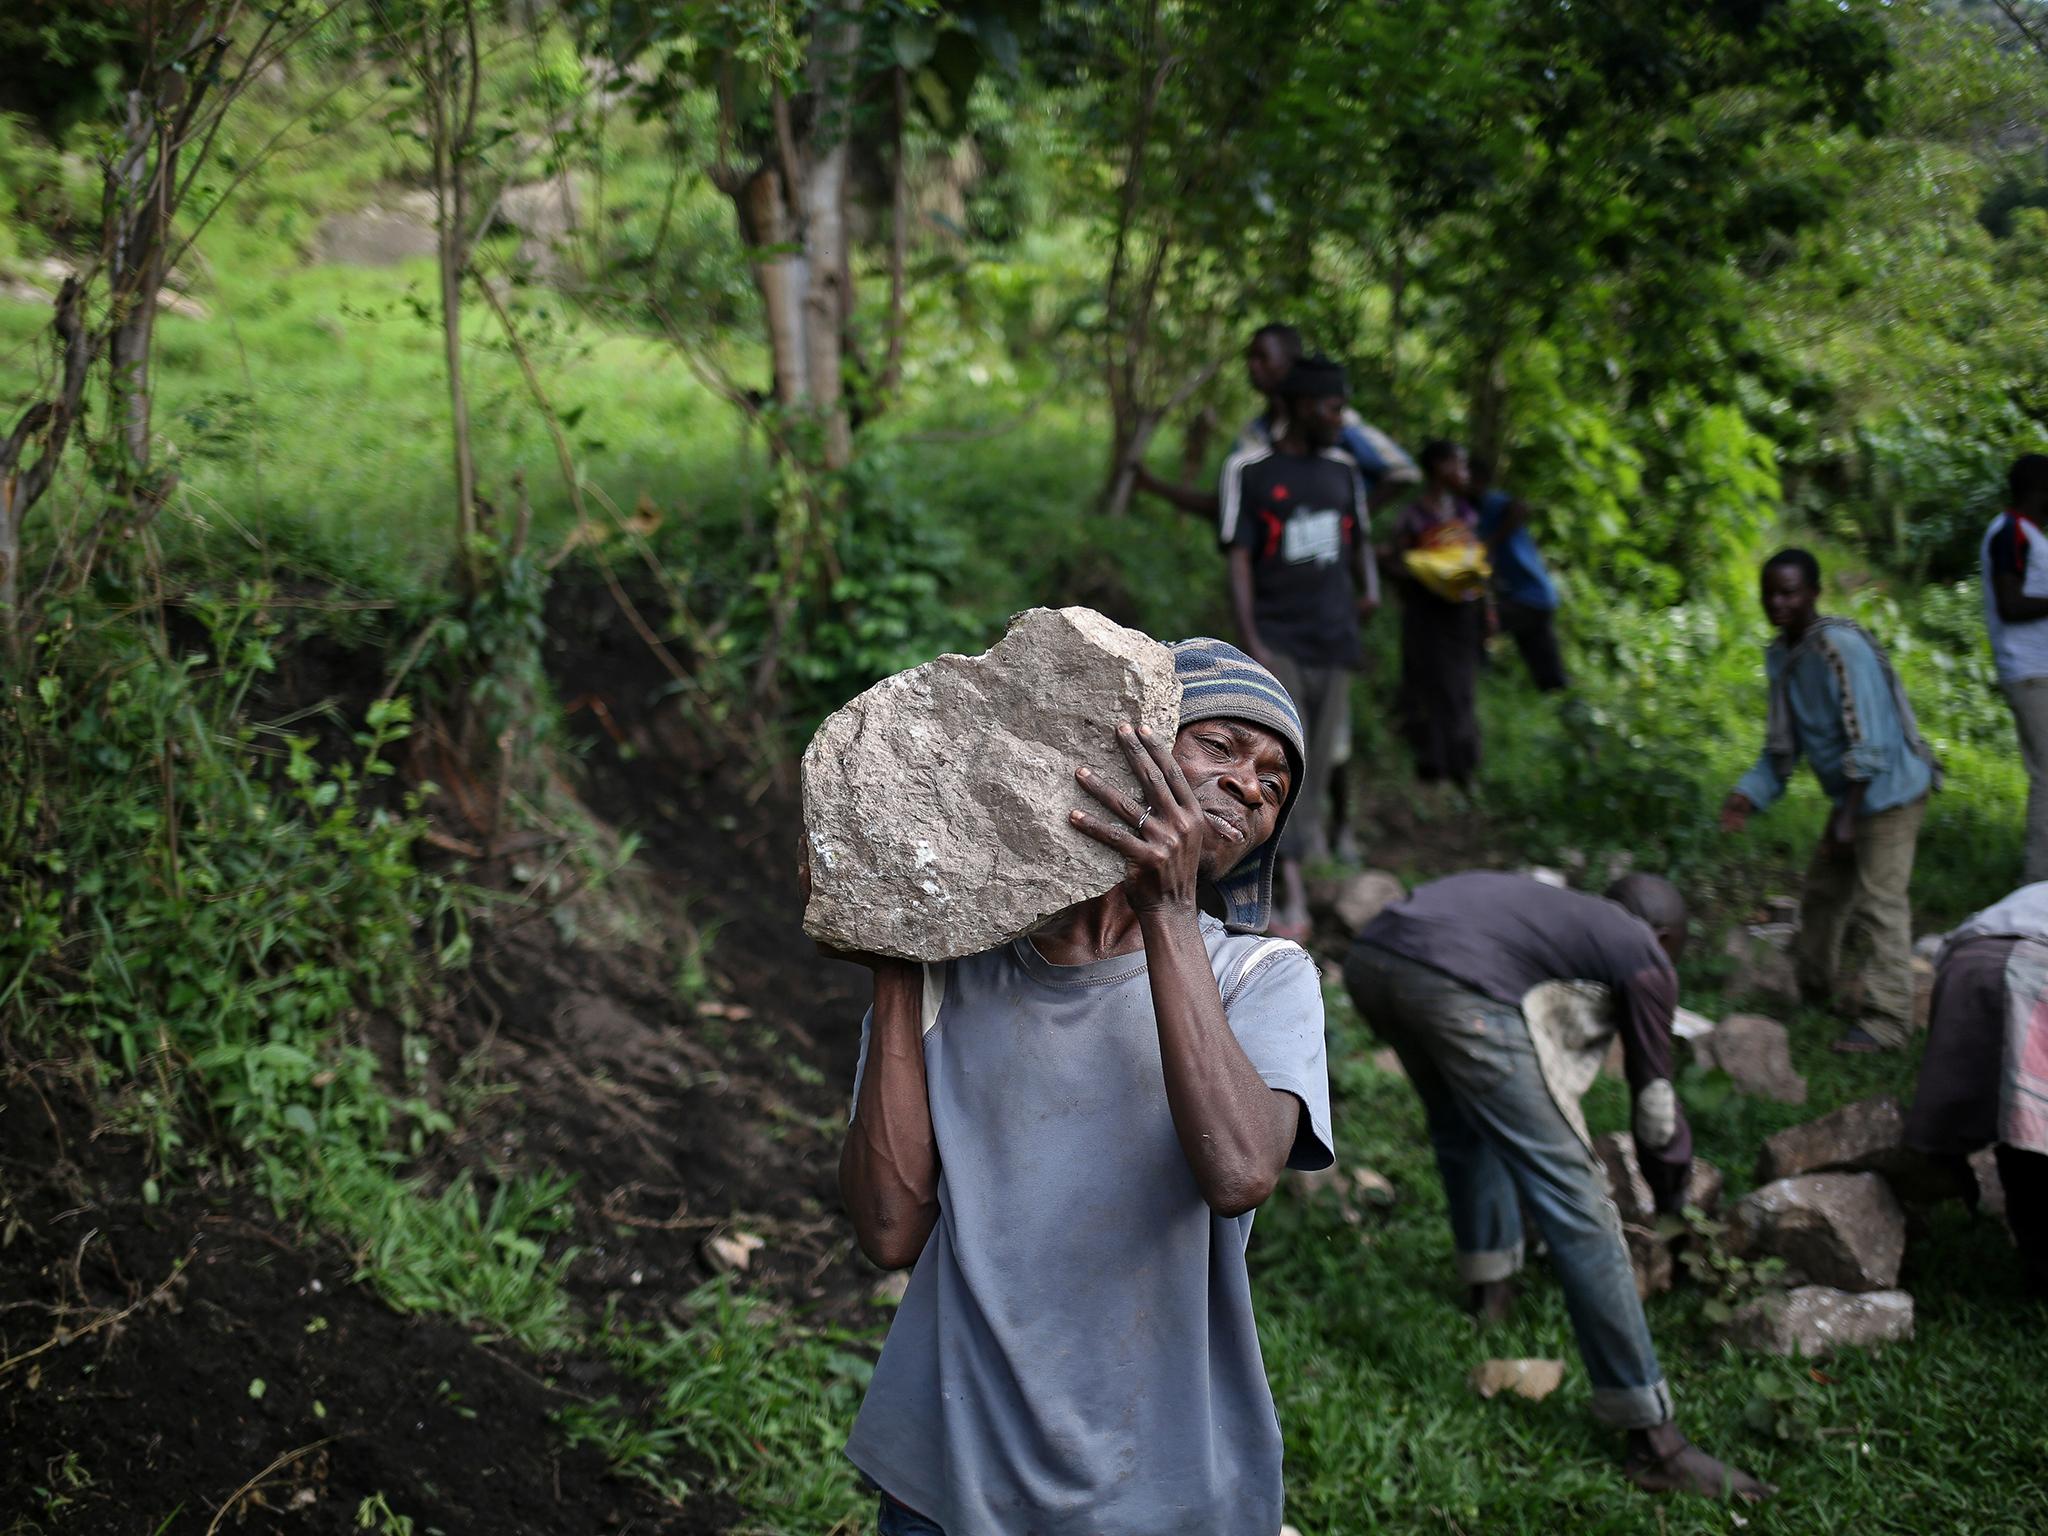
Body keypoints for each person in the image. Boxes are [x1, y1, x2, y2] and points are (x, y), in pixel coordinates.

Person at [831, 639, 1334, 1536]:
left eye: (1275, 784)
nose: (1251, 786)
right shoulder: (958, 973)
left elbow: (1239, 1171)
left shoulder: (1261, 976)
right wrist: (896, 965)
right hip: (946, 1466)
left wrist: (1169, 911)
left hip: (1156, 1478)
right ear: (1126, 744)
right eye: (1219, 746)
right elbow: (888, 1232)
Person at [1343, 870, 1770, 1502]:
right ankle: (1654, 1441)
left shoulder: (1561, 915)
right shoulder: (1644, 953)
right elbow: (1654, 1107)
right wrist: (1673, 1199)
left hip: (1373, 960)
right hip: (1455, 986)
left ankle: (1491, 1289)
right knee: (1578, 1204)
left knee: (1463, 1129)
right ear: (1667, 935)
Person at [1720, 548, 1941, 1053]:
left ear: (1814, 594)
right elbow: (1781, 749)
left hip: (1890, 793)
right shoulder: (1783, 655)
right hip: (1852, 797)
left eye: (1790, 592)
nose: (1778, 603)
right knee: (1823, 892)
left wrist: (1846, 818)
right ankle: (1812, 989)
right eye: (1770, 593)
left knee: (1880, 900)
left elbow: (1871, 742)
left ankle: (1888, 1023)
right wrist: (1748, 796)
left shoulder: (1840, 648)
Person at [1219, 356, 1380, 937]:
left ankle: (1294, 880)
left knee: (1319, 759)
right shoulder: (1251, 469)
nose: (1342, 418)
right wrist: (1253, 640)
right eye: (1334, 407)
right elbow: (1237, 556)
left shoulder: (1343, 469)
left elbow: (1360, 537)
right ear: (1303, 406)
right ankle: (1283, 894)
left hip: (1333, 637)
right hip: (1277, 635)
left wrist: (1371, 591)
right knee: (1282, 759)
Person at [1904, 881, 2048, 1293]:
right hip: (2035, 973)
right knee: (2034, 1130)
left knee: (2015, 1125)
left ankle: (2037, 1262)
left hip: (1972, 969)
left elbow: (1957, 940)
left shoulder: (2032, 892)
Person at [1134, 323, 1420, 520]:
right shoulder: (1254, 435)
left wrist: (1348, 523)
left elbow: (1402, 471)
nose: (1252, 366)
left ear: (1290, 361)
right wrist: (1155, 487)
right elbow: (1225, 506)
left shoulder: (1332, 423)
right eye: (1250, 358)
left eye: (1262, 357)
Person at [1388, 440, 1488, 788]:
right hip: (1425, 612)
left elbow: (1476, 564)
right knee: (1428, 681)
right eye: (1459, 465)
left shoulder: (1464, 513)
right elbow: (1395, 562)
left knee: (1460, 685)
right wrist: (1424, 571)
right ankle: (1431, 761)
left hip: (1460, 613)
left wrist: (1486, 613)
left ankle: (1462, 763)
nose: (1465, 473)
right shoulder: (1414, 516)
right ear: (1440, 468)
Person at [1982, 454, 2048, 885]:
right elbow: (2010, 604)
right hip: (2028, 672)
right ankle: (2036, 883)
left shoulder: (2029, 534)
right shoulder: (2010, 532)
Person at [1472, 458, 1568, 692]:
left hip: (1531, 596)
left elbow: (1521, 507)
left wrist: (1492, 542)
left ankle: (1479, 680)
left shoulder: (1490, 502)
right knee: (1548, 672)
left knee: (1475, 622)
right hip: (1529, 596)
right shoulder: (1468, 512)